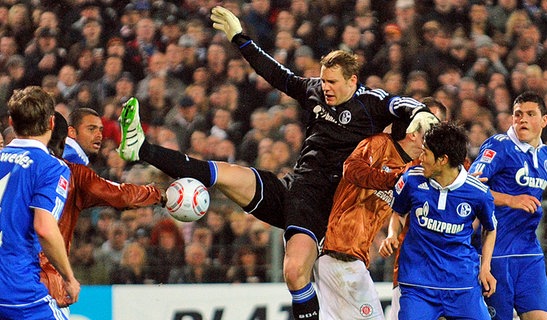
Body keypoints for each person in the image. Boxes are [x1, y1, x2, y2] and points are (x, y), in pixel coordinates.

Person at [119, 6, 437, 319]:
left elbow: (403, 104)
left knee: (295, 271)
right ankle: (141, 148)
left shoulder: (371, 104)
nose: (325, 87)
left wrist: (421, 113)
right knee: (220, 174)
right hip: (293, 189)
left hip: (321, 205)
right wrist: (240, 39)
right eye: (324, 80)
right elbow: (276, 74)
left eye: (333, 82)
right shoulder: (314, 91)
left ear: (352, 80)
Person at [314, 110, 438, 319]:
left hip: (351, 258)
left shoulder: (410, 168)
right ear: (413, 134)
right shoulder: (380, 144)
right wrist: (392, 180)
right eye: (430, 130)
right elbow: (351, 168)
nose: (433, 138)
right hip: (340, 252)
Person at [39, 111, 164, 308]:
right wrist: (157, 194)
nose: (99, 135)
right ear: (70, 132)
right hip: (42, 274)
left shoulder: (21, 161)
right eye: (91, 129)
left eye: (101, 130)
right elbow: (120, 195)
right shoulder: (71, 168)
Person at [379, 123, 497, 320]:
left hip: (462, 285)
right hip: (418, 285)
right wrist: (392, 234)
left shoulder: (478, 192)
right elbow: (398, 213)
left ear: (443, 160)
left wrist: (486, 268)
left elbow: (490, 229)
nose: (421, 158)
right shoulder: (412, 180)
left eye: (426, 153)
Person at [469, 91, 547, 320]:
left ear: (544, 120)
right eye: (517, 114)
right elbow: (469, 188)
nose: (522, 119)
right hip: (495, 253)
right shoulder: (499, 146)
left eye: (530, 114)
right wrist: (511, 200)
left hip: (529, 253)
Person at [0, 86, 80, 319]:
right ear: (52, 123)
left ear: (11, 122)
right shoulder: (51, 167)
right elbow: (44, 227)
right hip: (17, 288)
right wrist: (68, 277)